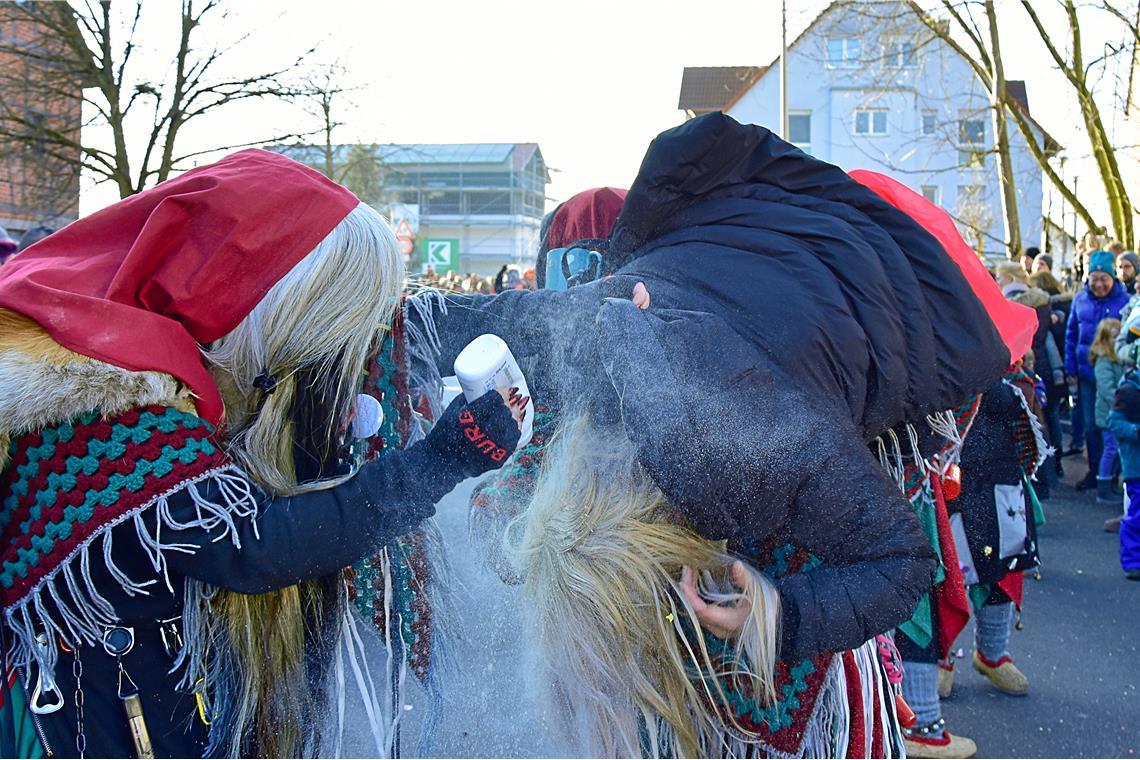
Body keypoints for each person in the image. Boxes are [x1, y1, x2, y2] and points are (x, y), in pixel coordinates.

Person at [408, 114, 1036, 758]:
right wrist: (361, 327)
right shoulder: (596, 323)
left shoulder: (768, 440)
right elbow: (462, 320)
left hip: (868, 310)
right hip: (760, 275)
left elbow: (903, 563)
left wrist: (779, 612)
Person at [0, 150, 522, 758]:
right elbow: (252, 548)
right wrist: (438, 464)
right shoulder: (95, 390)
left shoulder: (145, 354)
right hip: (98, 716)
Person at [1065, 250, 1130, 491]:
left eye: (1104, 279)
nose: (1099, 284)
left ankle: (1114, 473)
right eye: (1095, 279)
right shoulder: (1080, 299)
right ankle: (1095, 469)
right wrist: (1070, 367)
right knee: (1091, 424)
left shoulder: (1125, 300)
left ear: (1113, 278)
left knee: (1115, 422)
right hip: (1086, 373)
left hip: (1116, 373)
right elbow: (1071, 335)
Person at [1106, 346, 1140, 580]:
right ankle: (1132, 561)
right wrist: (1136, 431)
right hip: (1136, 463)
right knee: (1137, 514)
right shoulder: (1128, 391)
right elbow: (1114, 422)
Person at [1091, 319, 1125, 503]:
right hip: (1108, 414)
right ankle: (1103, 488)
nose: (1117, 339)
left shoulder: (1117, 358)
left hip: (1115, 411)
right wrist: (1122, 402)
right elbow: (1106, 388)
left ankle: (1110, 483)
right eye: (1114, 336)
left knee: (1115, 449)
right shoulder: (1104, 359)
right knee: (1111, 449)